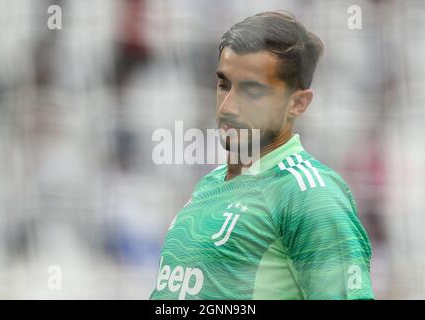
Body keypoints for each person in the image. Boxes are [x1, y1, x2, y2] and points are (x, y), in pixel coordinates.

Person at [150, 10, 374, 300]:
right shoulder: (209, 185)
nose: (228, 107)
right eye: (223, 84)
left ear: (298, 103)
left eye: (252, 91)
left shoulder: (309, 195)